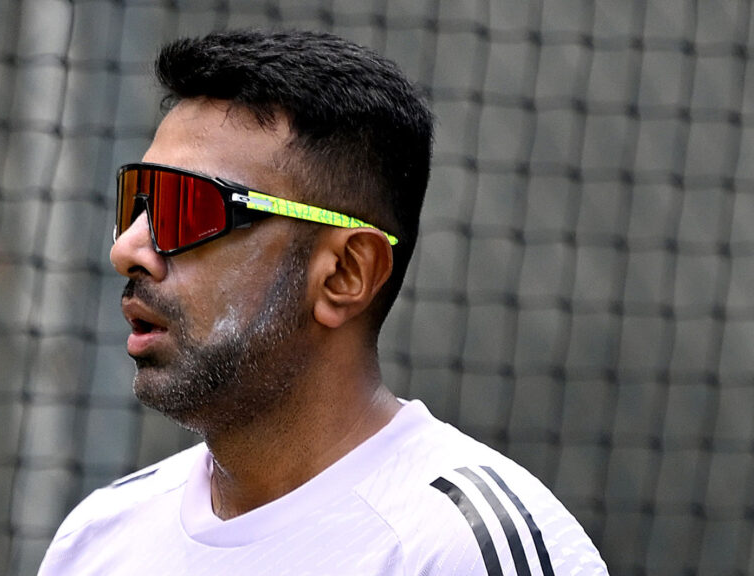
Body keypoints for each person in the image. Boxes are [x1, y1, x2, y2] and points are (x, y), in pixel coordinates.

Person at [38, 29, 608, 575]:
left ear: (345, 273)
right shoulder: (96, 539)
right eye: (137, 203)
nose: (126, 249)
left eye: (186, 208)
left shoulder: (463, 549)